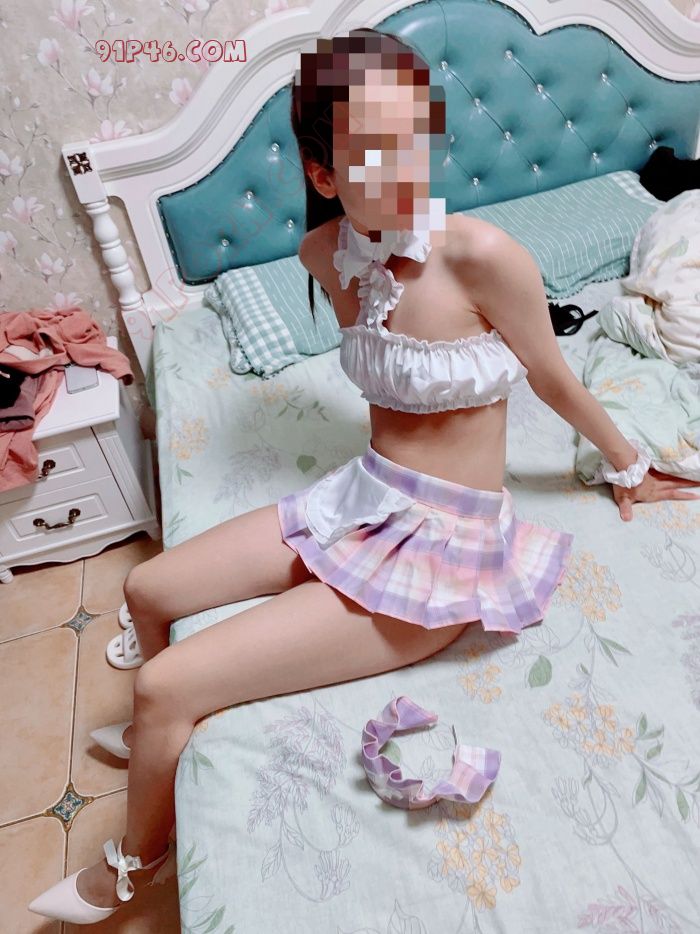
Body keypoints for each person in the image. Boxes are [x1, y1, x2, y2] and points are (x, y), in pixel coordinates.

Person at [28, 27, 700, 925]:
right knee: (146, 589)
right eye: (371, 149)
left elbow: (553, 377)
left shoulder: (484, 257)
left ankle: (135, 863)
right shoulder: (325, 256)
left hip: (443, 552)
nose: (404, 167)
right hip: (366, 496)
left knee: (162, 683)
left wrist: (630, 465)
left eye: (414, 137)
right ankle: (166, 736)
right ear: (323, 174)